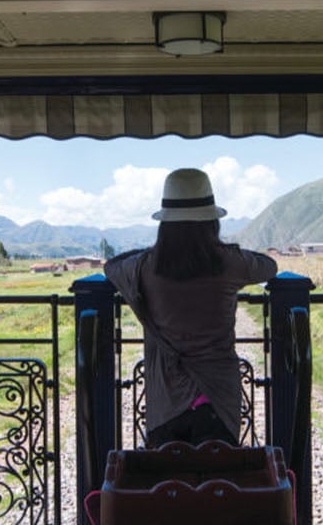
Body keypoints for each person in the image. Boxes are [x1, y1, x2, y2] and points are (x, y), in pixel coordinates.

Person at [105, 167, 277, 445]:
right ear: (212, 222)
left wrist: (149, 251)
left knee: (167, 483)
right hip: (219, 400)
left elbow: (111, 266)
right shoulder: (227, 262)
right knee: (218, 483)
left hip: (166, 401)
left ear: (164, 224)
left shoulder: (145, 267)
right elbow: (269, 266)